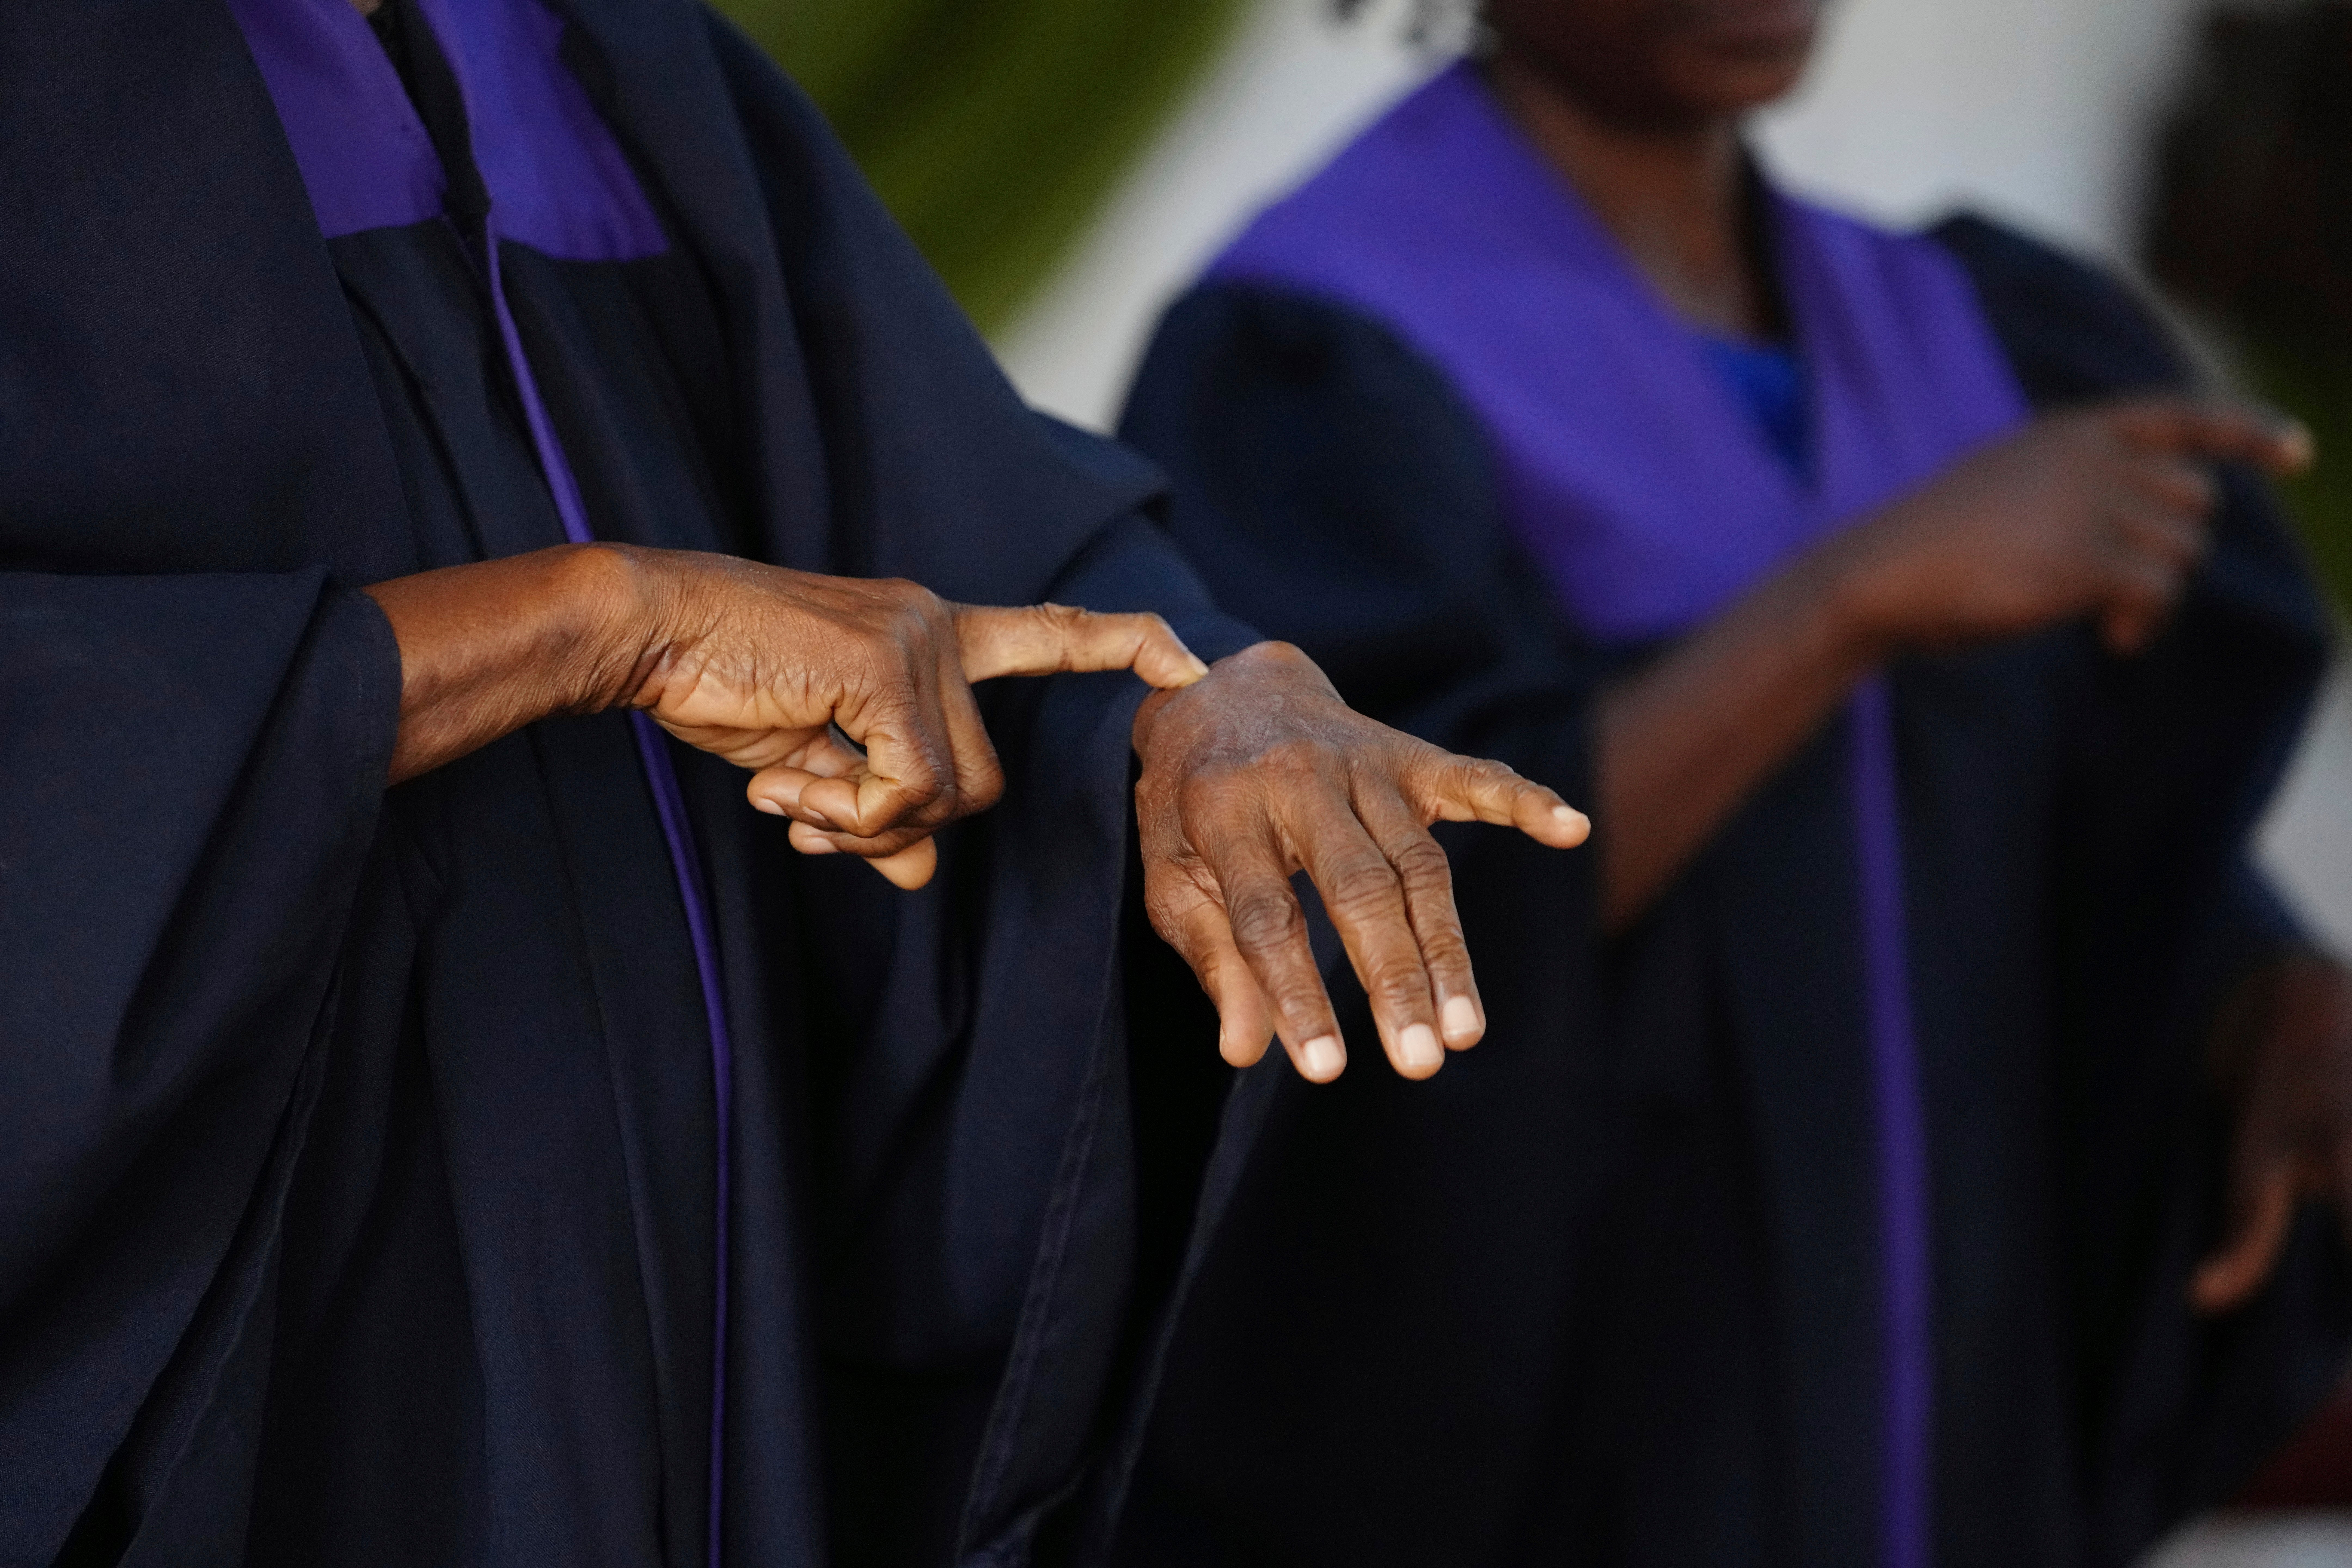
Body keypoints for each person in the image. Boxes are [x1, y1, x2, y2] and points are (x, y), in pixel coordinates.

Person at [0, 1, 1592, 1564]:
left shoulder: (599, 56)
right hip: (290, 1357)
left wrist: (1195, 701)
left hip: (711, 1344)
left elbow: (973, 531)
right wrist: (599, 623)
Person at [1106, 2, 2352, 1565]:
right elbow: (1364, 926)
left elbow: (2069, 831)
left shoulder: (1971, 330)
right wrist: (1856, 598)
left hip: (1966, 1438)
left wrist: (2269, 992)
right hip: (1602, 1456)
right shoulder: (1322, 344)